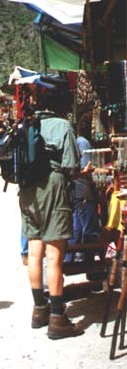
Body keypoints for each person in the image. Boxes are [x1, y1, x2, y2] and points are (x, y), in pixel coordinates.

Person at [18, 92, 84, 340]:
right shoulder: (63, 125)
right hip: (54, 189)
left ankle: (39, 310)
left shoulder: (26, 125)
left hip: (27, 193)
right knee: (54, 256)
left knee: (35, 253)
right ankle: (58, 319)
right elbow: (70, 166)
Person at [65, 112, 101, 262]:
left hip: (77, 191)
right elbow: (87, 170)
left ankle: (70, 260)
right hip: (83, 191)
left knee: (77, 228)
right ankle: (89, 262)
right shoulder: (84, 143)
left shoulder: (78, 141)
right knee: (88, 229)